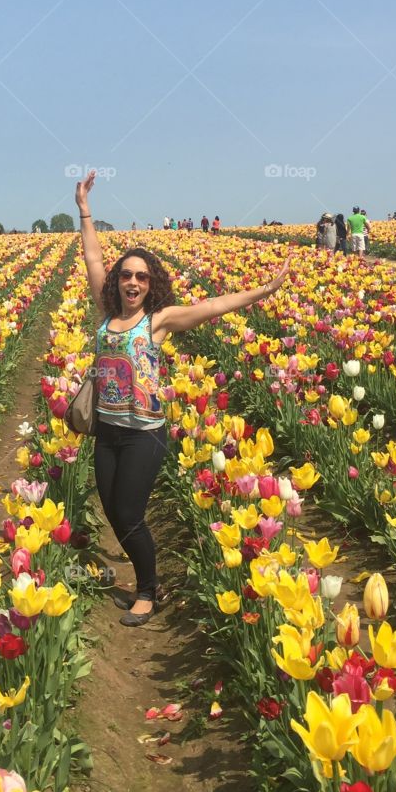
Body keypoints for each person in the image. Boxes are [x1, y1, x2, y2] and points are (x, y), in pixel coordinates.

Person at [74, 170, 290, 627]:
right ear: (117, 281)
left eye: (142, 277)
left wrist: (265, 291)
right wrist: (85, 210)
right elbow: (93, 257)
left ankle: (148, 591)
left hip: (144, 434)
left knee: (130, 513)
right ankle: (147, 581)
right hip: (107, 431)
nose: (133, 282)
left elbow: (212, 306)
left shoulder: (158, 321)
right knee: (113, 512)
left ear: (151, 284)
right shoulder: (107, 312)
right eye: (126, 275)